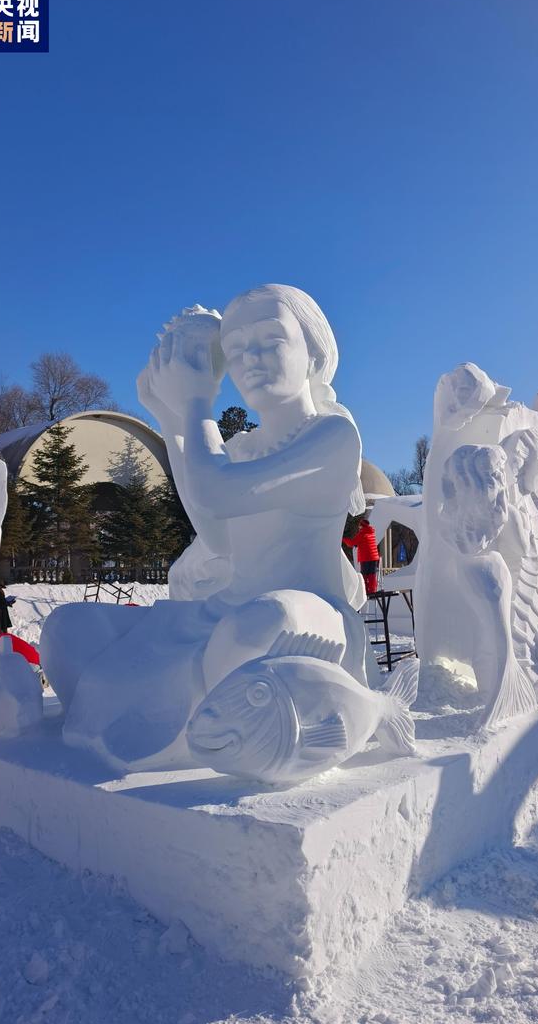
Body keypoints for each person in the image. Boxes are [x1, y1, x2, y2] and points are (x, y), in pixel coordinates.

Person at [39, 284, 371, 770]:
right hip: (227, 607)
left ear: (314, 352)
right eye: (235, 349)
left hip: (307, 611)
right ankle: (126, 728)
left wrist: (195, 406)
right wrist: (170, 416)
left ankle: (214, 734)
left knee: (256, 626)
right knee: (71, 628)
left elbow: (219, 490)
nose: (250, 358)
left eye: (269, 340)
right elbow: (217, 533)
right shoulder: (239, 449)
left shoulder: (334, 436)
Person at [343, 516, 381, 595]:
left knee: (364, 575)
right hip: (374, 557)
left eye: (359, 526)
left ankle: (365, 592)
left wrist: (343, 539)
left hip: (365, 558)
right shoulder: (371, 532)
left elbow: (351, 543)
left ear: (361, 526)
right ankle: (372, 591)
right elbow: (366, 543)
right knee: (372, 575)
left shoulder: (362, 533)